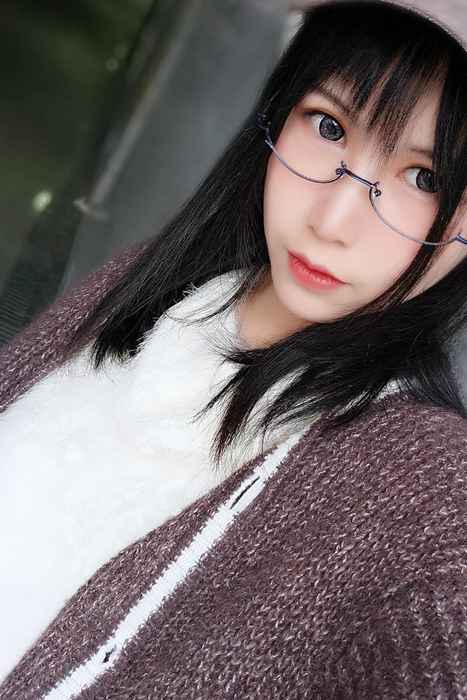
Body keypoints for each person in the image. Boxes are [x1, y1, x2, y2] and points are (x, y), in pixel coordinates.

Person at [1, 0, 467, 696]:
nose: (333, 219)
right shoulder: (150, 289)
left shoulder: (426, 493)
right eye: (329, 126)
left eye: (425, 178)